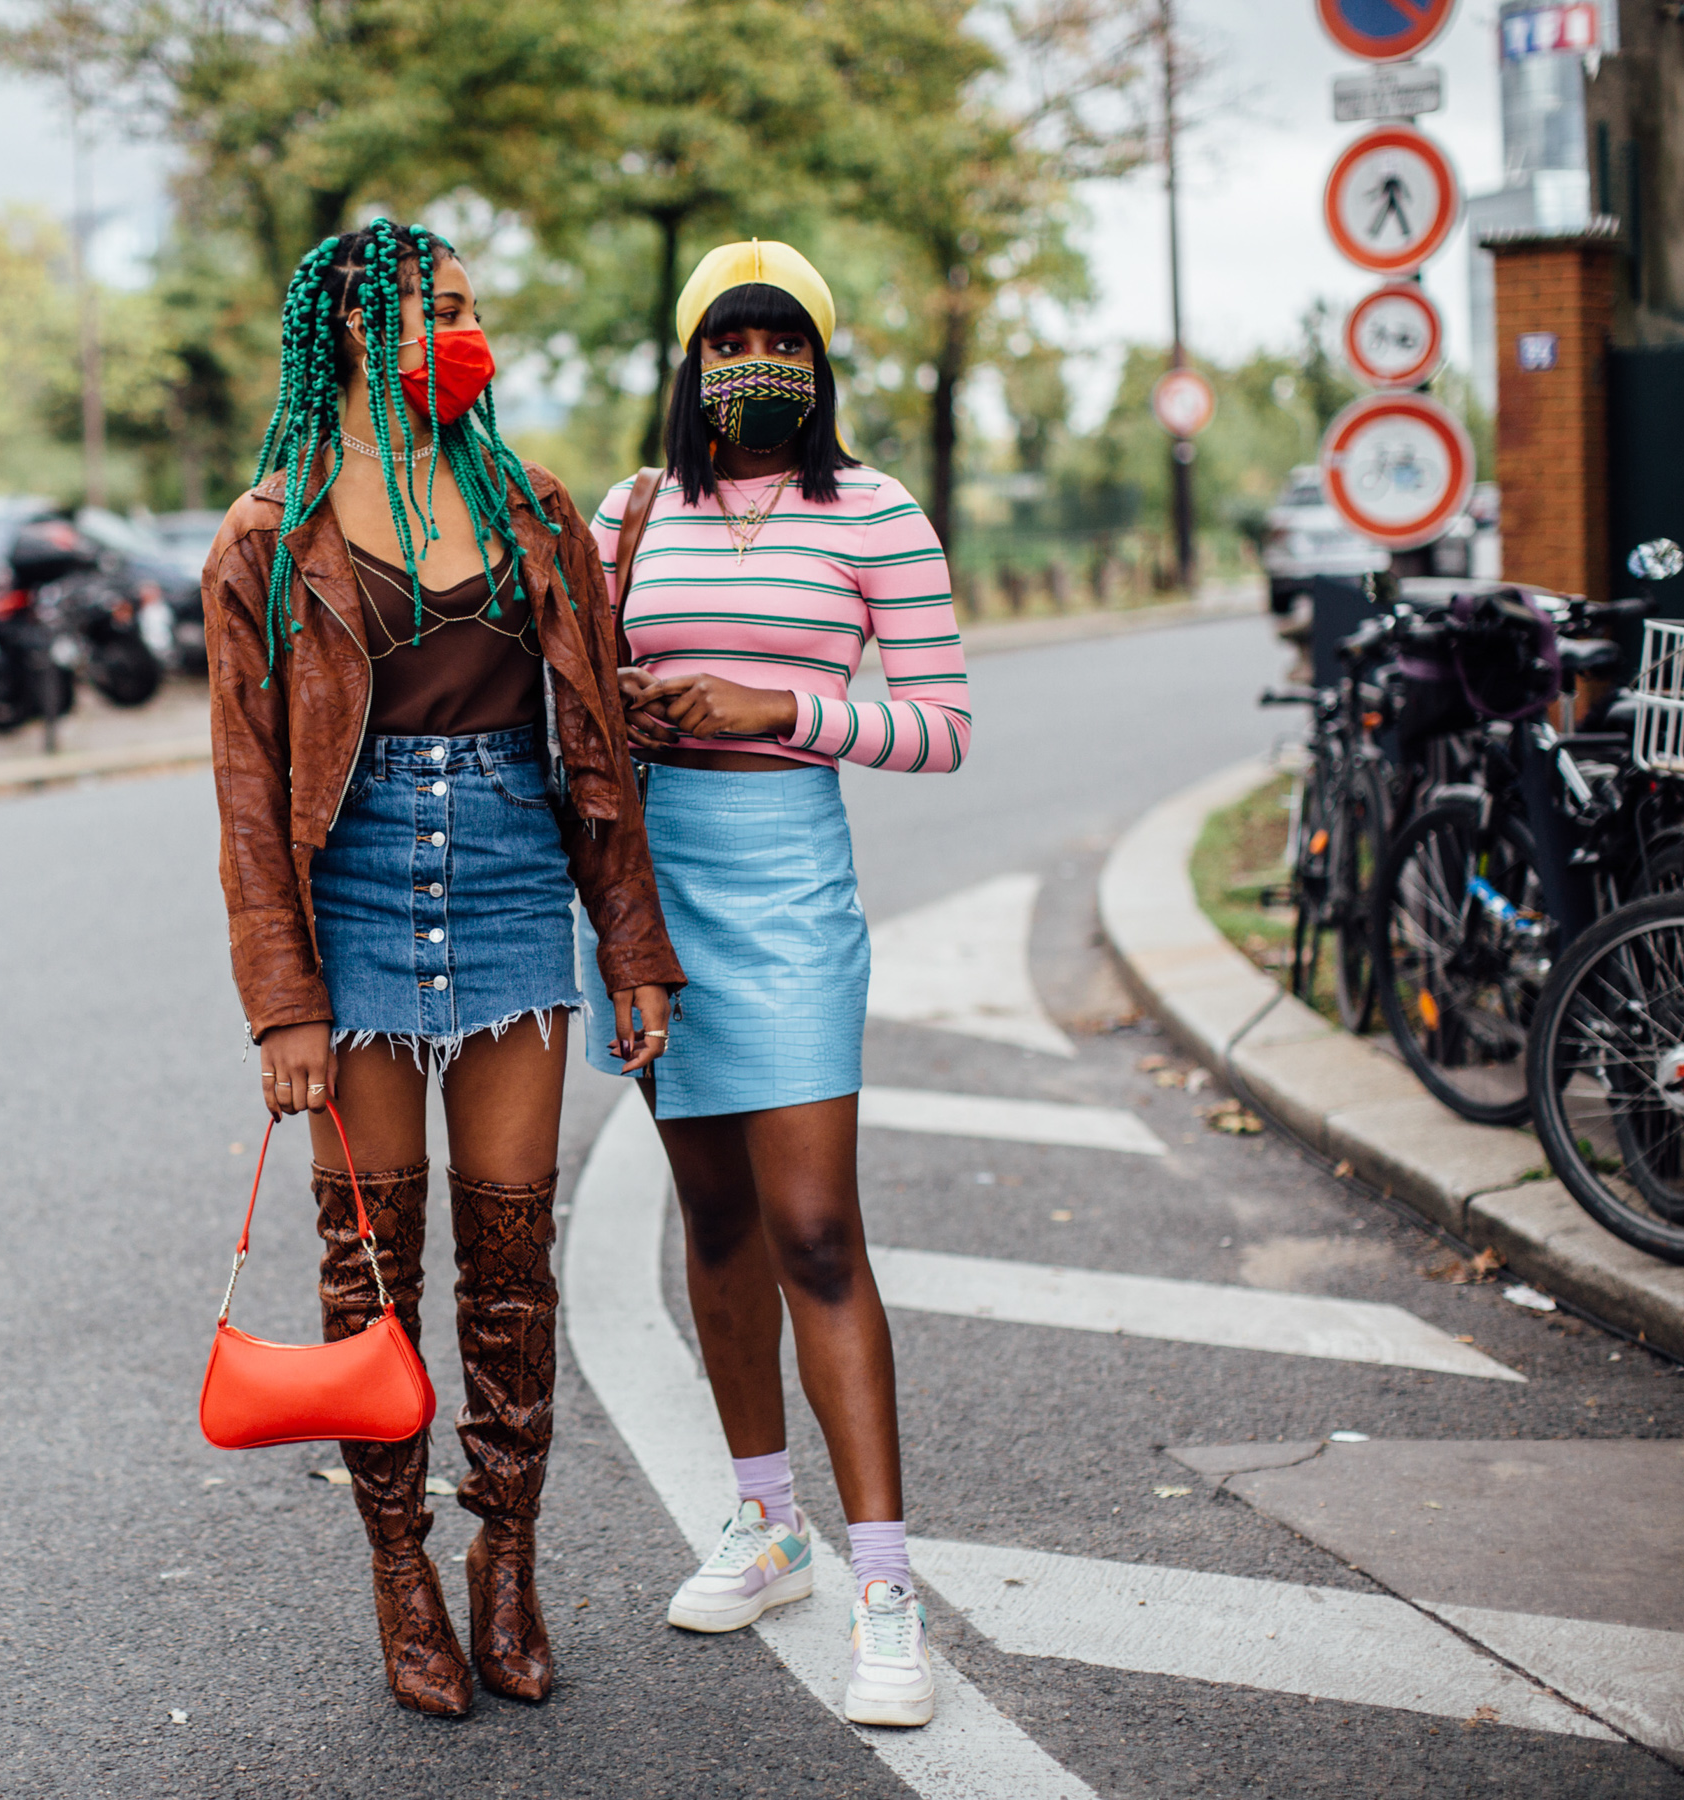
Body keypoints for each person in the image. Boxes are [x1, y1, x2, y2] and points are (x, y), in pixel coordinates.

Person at [200, 218, 684, 1718]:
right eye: (436, 312)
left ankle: (510, 1561)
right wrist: (284, 1001)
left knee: (511, 1257)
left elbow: (597, 746)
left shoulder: (532, 506)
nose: (464, 333)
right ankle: (401, 1567)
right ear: (353, 332)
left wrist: (631, 946)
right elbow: (246, 786)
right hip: (347, 888)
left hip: (512, 875)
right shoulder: (267, 535)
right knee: (369, 1261)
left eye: (475, 309)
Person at [577, 239, 971, 1729]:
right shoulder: (626, 515)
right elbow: (575, 690)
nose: (758, 366)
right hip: (649, 886)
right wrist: (620, 701)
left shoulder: (877, 513)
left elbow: (941, 726)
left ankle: (888, 1589)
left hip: (790, 878)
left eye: (783, 340)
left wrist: (780, 707)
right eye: (730, 340)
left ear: (820, 362)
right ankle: (767, 1522)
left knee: (816, 1224)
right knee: (717, 1215)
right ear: (690, 364)